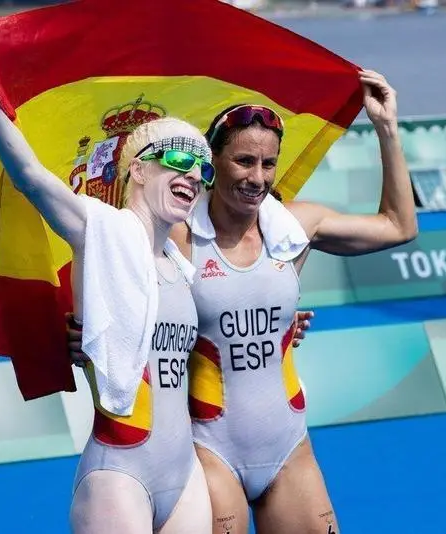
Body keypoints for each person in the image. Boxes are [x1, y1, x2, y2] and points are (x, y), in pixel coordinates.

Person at [70, 70, 416, 533]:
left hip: (289, 447)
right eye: (244, 161)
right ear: (211, 162)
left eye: (268, 164)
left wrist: (386, 129)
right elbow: (107, 267)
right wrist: (86, 336)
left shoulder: (296, 227)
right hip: (210, 454)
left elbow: (399, 226)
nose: (258, 178)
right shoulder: (176, 234)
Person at [0, 30, 213, 534]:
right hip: (120, 470)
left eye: (202, 168)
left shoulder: (180, 261)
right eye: (179, 160)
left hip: (184, 472)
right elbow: (30, 175)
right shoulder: (99, 232)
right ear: (137, 169)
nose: (194, 175)